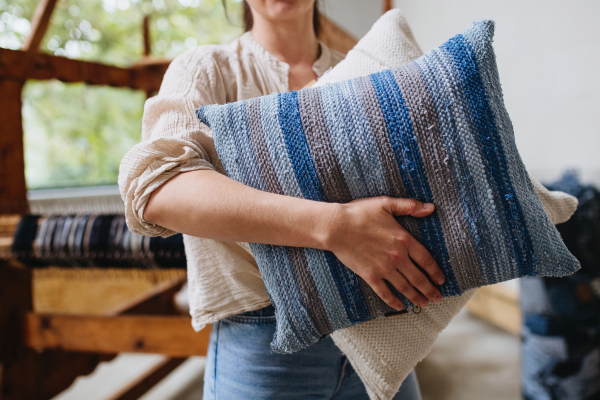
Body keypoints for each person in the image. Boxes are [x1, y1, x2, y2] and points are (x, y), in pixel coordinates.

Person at [119, 1, 446, 398]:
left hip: (383, 328)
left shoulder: (367, 65)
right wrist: (334, 228)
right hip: (263, 344)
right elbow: (158, 188)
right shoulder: (207, 70)